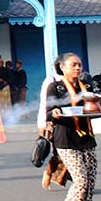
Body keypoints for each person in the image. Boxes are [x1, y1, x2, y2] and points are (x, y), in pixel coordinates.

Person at [46, 53, 101, 201]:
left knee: (90, 184)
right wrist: (55, 111)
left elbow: (95, 105)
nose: (78, 68)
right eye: (73, 65)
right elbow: (48, 112)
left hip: (86, 138)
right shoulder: (56, 87)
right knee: (81, 180)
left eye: (79, 65)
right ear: (62, 67)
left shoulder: (87, 85)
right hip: (66, 139)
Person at [37, 56, 70, 190]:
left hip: (72, 124)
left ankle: (79, 183)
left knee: (75, 153)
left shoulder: (74, 83)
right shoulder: (51, 82)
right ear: (61, 67)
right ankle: (49, 173)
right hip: (53, 123)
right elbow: (45, 104)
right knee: (60, 153)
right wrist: (42, 123)